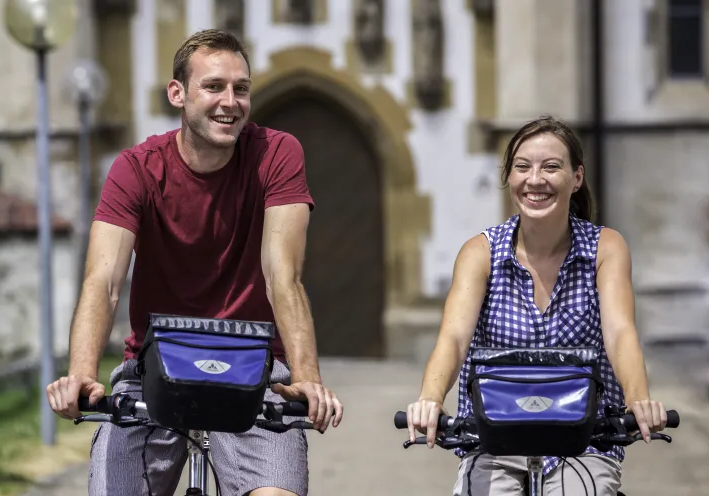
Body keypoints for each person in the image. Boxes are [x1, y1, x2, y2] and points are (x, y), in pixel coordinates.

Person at [46, 29, 344, 496]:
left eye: (241, 88)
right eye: (214, 86)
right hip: (155, 370)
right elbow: (103, 280)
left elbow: (281, 276)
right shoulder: (137, 168)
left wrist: (307, 379)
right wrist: (82, 373)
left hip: (255, 370)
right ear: (178, 93)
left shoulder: (276, 153)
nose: (230, 101)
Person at [405, 116, 668, 495]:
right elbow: (455, 336)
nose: (535, 180)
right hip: (494, 438)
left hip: (583, 438)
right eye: (523, 166)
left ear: (576, 177)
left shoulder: (605, 248)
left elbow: (620, 332)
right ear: (509, 177)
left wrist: (638, 400)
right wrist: (429, 400)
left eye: (551, 166)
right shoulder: (480, 252)